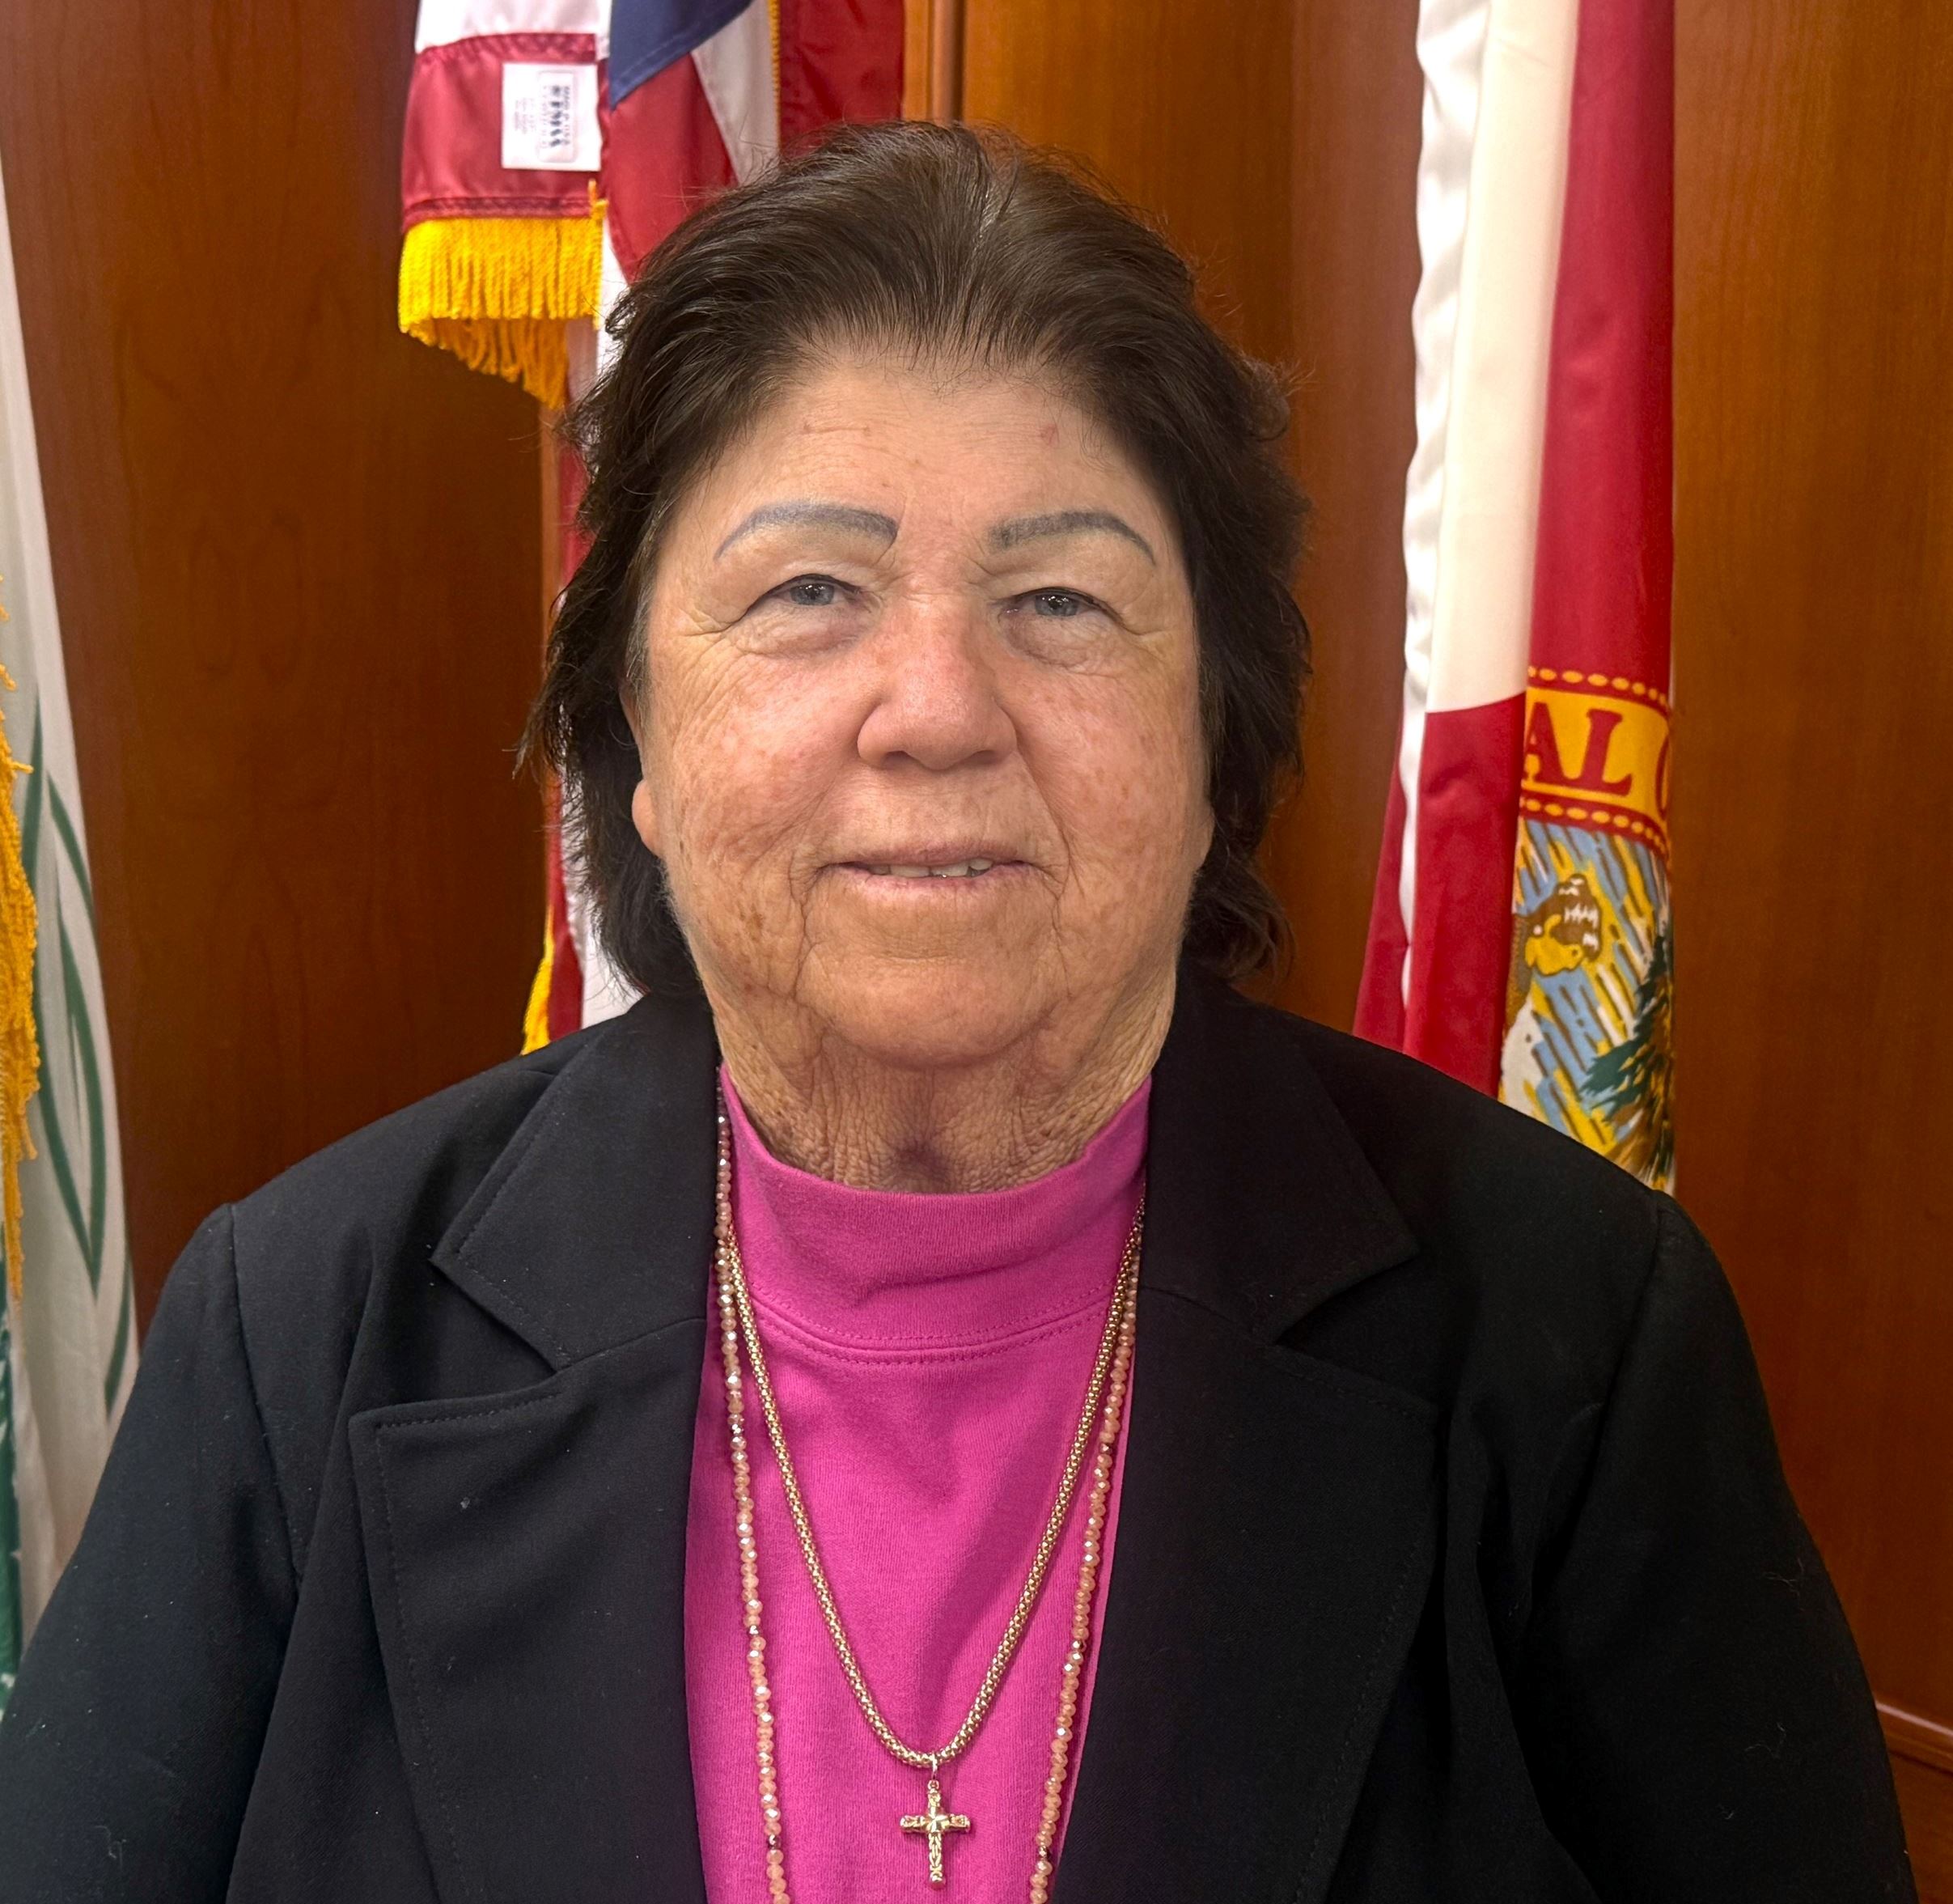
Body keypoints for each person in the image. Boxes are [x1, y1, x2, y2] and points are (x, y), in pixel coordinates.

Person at [0, 121, 1914, 1904]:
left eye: (1062, 602)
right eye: (809, 589)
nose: (936, 706)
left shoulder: (1571, 1341)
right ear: (638, 742)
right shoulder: (305, 1328)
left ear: (1209, 743)